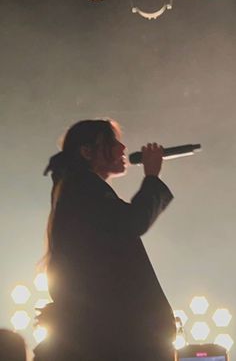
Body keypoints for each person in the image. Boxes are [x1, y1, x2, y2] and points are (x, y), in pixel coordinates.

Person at [34, 119, 176, 361]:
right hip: (114, 338)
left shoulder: (77, 189)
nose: (123, 149)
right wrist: (152, 177)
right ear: (87, 151)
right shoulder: (83, 188)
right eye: (112, 143)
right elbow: (133, 222)